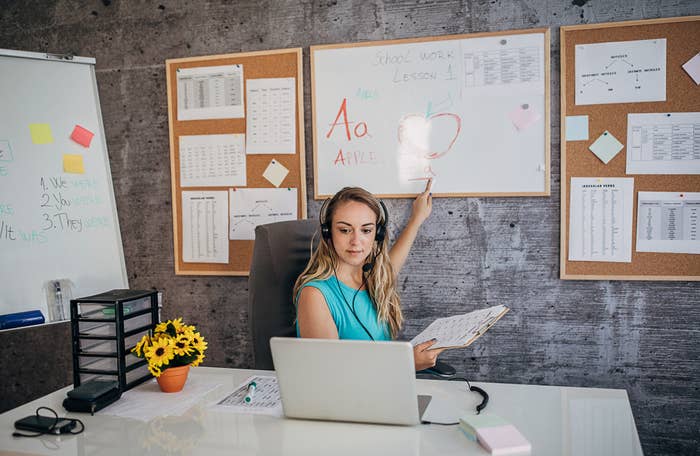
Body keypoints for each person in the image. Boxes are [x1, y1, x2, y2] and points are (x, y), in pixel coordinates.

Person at [293, 179, 446, 371]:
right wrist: (405, 364)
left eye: (366, 230)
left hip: (384, 391)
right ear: (328, 233)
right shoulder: (315, 295)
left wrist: (416, 219)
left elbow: (392, 264)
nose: (356, 241)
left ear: (377, 235)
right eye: (345, 230)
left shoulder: (374, 279)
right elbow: (330, 373)